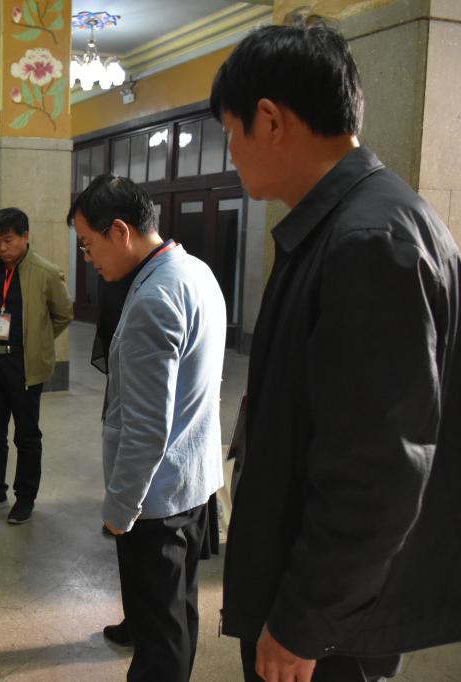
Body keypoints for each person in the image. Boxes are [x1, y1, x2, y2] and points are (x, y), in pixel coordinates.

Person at [212, 18, 461, 682]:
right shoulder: (346, 223)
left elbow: (378, 471)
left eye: (231, 130)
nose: (230, 151)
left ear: (270, 120)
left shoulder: (369, 242)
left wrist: (305, 621)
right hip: (327, 605)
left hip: (332, 629)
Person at [68, 174, 226, 682]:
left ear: (120, 231)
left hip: (156, 500)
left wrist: (120, 509)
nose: (88, 257)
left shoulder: (153, 299)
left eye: (88, 244)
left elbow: (145, 428)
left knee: (160, 637)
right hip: (193, 480)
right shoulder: (193, 269)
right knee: (178, 610)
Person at [0, 207, 72, 524]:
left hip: (24, 365)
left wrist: (38, 340)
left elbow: (63, 314)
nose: (2, 248)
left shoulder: (46, 272)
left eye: (8, 240)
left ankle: (25, 497)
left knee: (27, 435)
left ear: (25, 236)